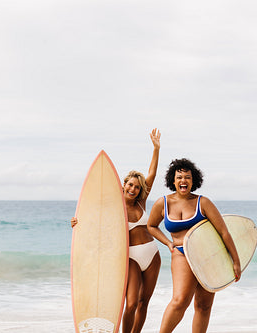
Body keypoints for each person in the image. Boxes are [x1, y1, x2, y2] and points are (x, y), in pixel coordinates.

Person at [71, 128, 162, 333]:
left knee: (144, 302)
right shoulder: (113, 207)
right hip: (130, 257)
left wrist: (156, 149)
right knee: (130, 304)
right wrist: (78, 223)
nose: (133, 189)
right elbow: (94, 222)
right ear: (123, 185)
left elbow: (153, 174)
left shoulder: (142, 203)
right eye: (130, 185)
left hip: (152, 254)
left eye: (137, 187)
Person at [147, 158, 241, 333]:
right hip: (181, 253)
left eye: (188, 177)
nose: (183, 180)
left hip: (208, 256)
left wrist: (235, 261)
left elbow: (224, 232)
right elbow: (151, 226)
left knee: (203, 305)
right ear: (173, 180)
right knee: (180, 300)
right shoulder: (163, 203)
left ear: (193, 180)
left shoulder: (203, 203)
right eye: (179, 177)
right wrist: (168, 243)